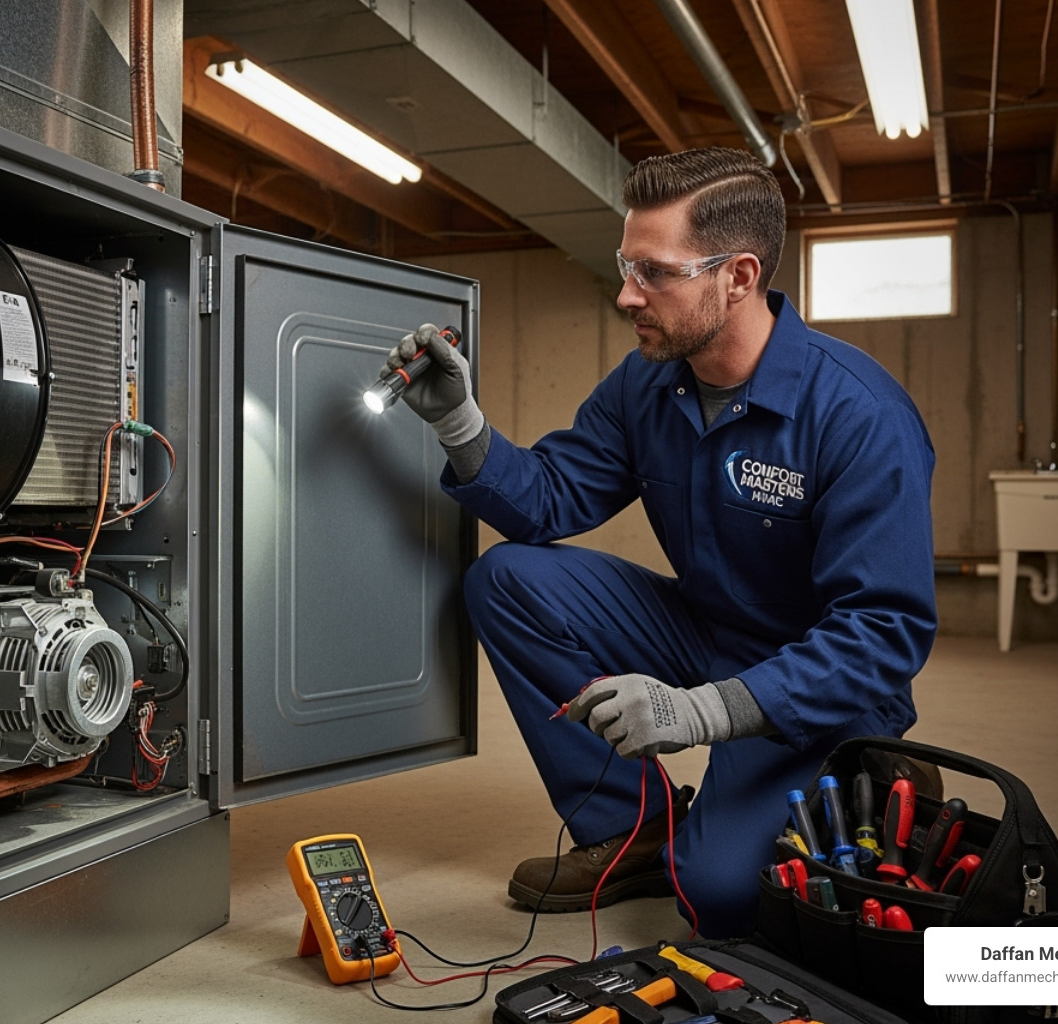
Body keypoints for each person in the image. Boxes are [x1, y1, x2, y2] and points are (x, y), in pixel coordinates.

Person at [378, 147, 936, 935]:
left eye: (655, 273)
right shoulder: (648, 382)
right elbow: (550, 499)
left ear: (737, 276)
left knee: (719, 897)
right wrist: (458, 422)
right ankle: (632, 828)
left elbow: (884, 632)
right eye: (626, 266)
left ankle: (868, 774)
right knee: (508, 580)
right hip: (706, 626)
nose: (626, 295)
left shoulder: (858, 415)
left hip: (822, 685)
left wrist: (705, 710)